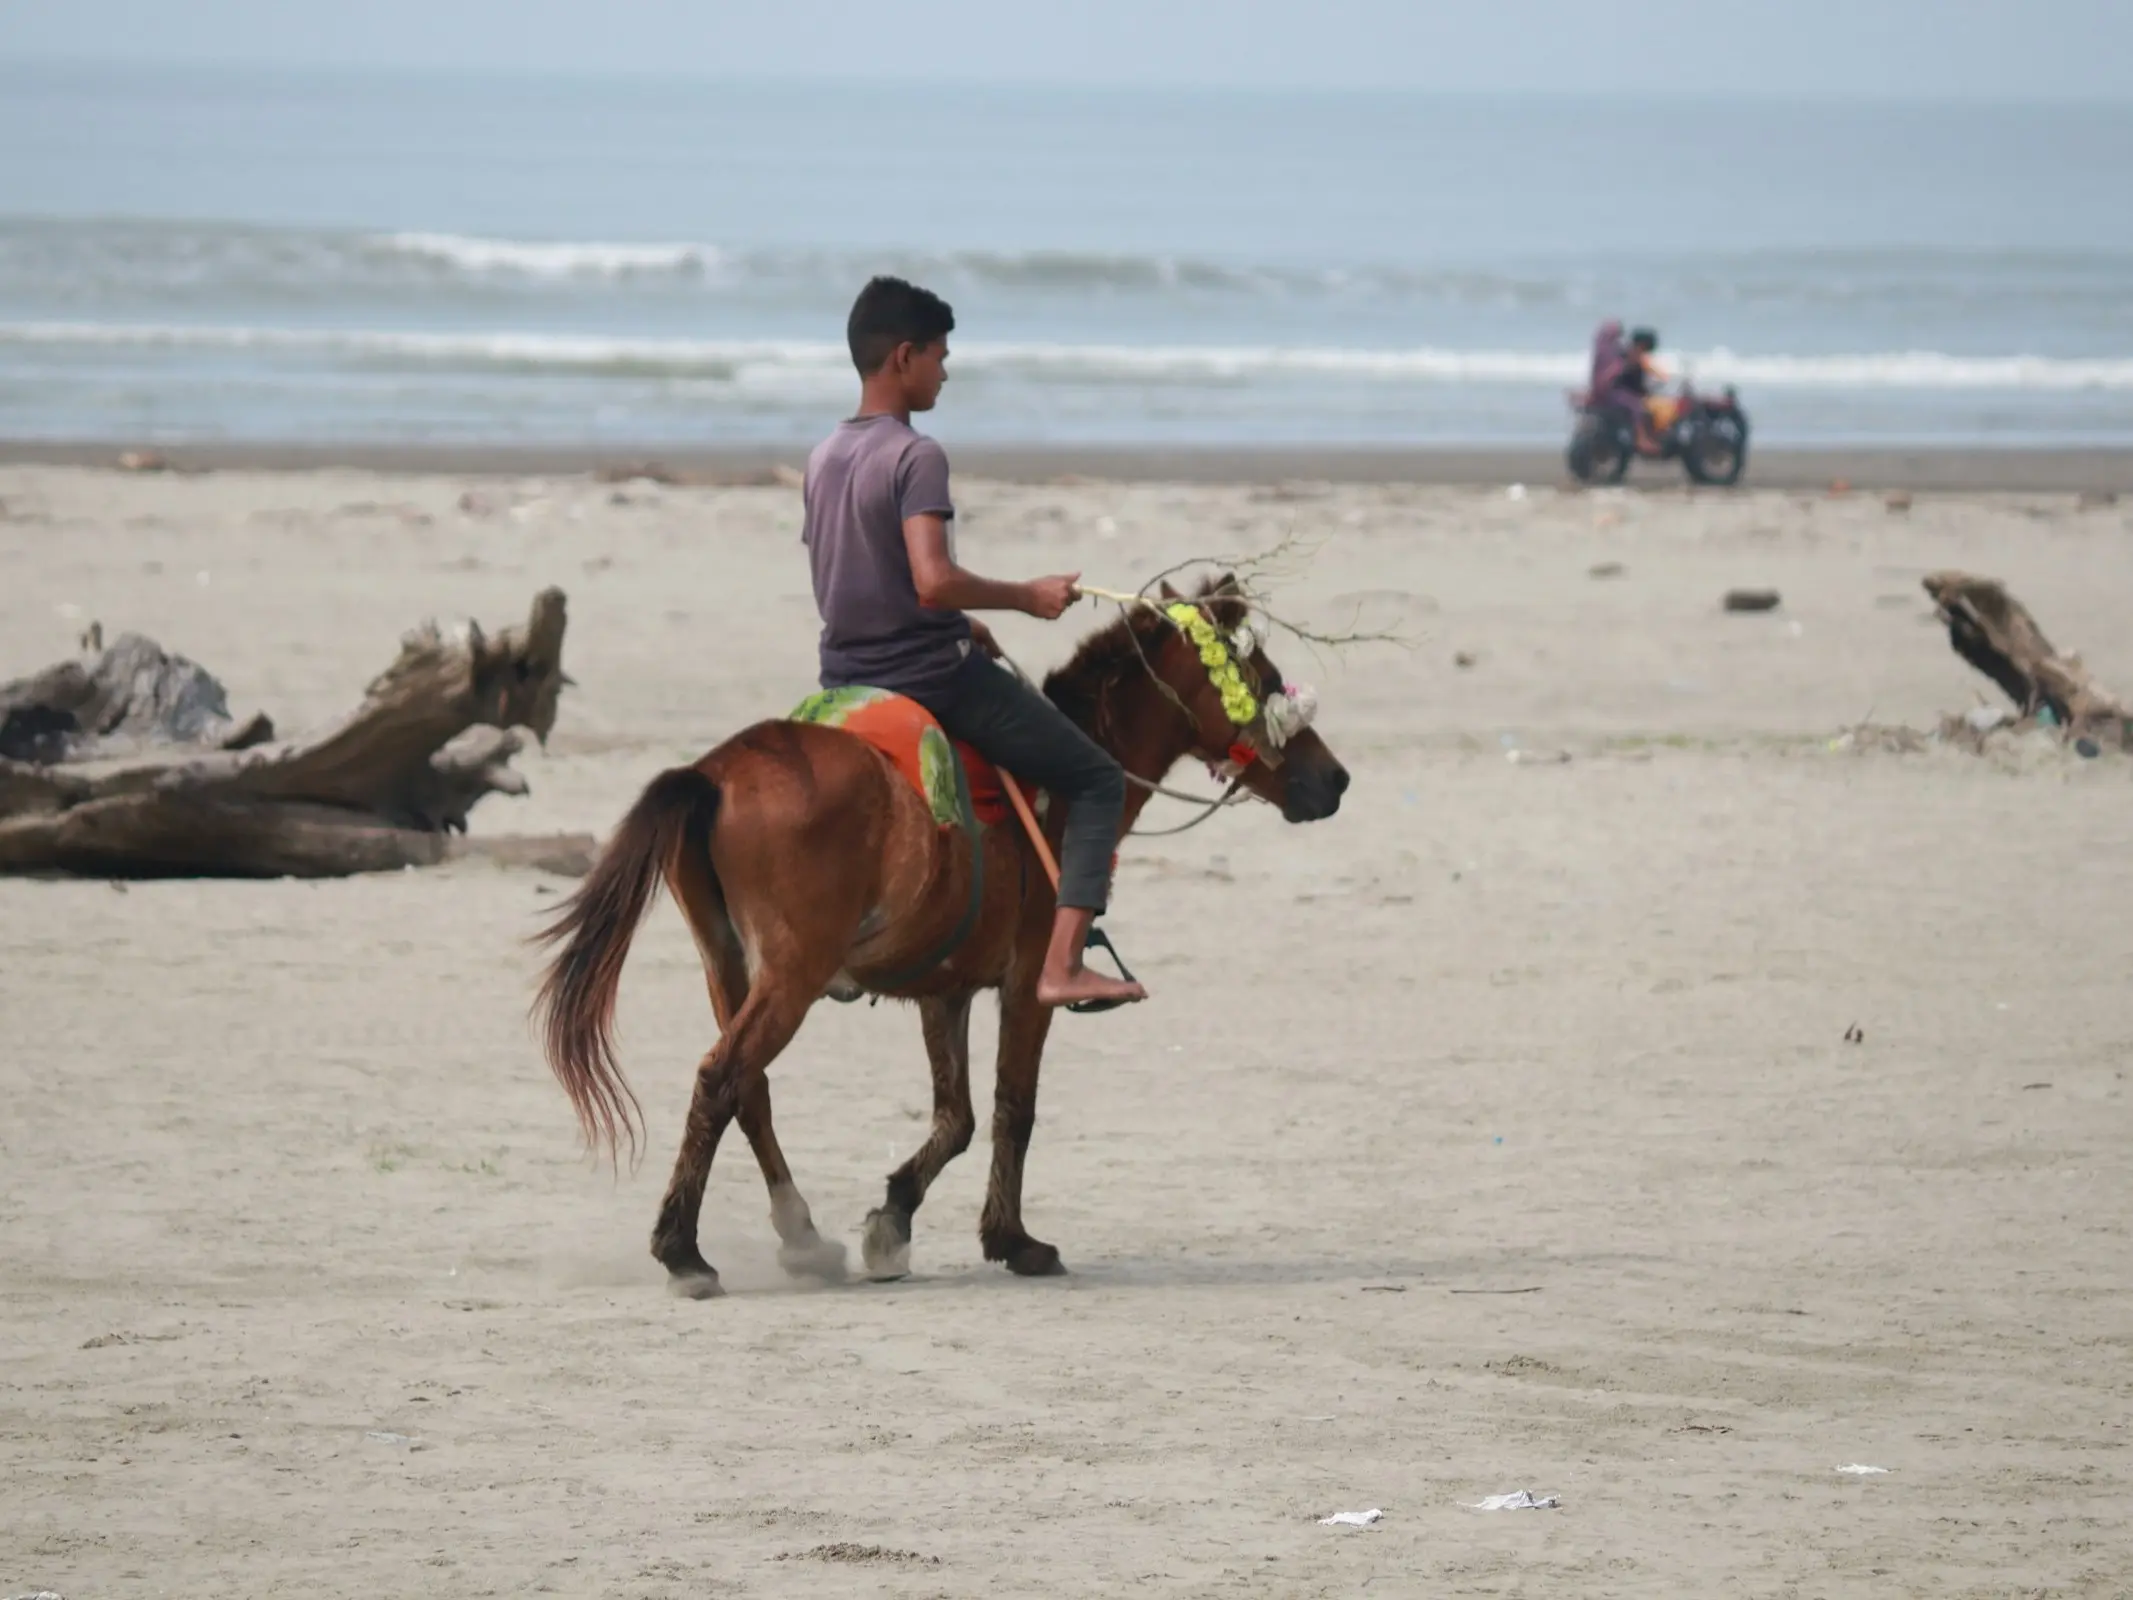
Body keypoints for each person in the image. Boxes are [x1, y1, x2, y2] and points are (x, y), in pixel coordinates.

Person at [801, 275, 1147, 1009]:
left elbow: (858, 577)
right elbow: (929, 579)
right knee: (1096, 780)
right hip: (927, 679)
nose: (946, 370)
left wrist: (963, 622)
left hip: (843, 675)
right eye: (939, 355)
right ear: (903, 357)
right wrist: (1026, 597)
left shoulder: (824, 453)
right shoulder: (915, 455)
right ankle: (1060, 965)